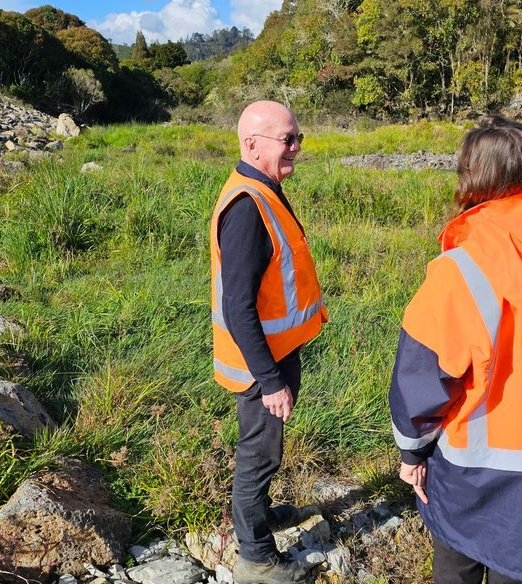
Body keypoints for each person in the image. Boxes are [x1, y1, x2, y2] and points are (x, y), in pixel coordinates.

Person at [389, 116, 522, 583]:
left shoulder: (460, 268)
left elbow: (422, 377)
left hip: (469, 463)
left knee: (458, 562)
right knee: (518, 562)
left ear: (473, 177)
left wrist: (411, 453)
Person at [209, 100, 327, 584]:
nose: (296, 147)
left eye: (299, 137)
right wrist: (270, 380)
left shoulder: (263, 188)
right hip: (260, 365)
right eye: (287, 139)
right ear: (252, 145)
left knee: (266, 451)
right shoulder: (247, 207)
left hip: (273, 354)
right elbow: (237, 307)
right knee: (259, 456)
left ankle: (259, 517)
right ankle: (255, 559)